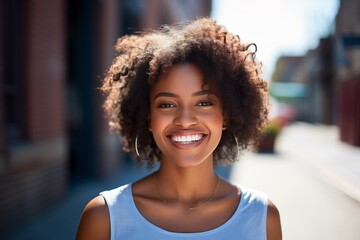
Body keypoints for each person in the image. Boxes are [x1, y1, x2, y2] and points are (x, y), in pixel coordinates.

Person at [76, 17, 282, 240]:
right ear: (148, 117)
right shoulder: (103, 217)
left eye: (204, 103)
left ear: (226, 116)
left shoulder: (261, 216)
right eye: (167, 104)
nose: (185, 120)